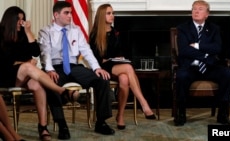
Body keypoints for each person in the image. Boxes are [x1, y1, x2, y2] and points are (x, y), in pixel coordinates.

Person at [0, 6, 79, 141]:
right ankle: (62, 91)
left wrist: (29, 32)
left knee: (37, 84)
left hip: (21, 74)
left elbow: (35, 52)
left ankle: (43, 127)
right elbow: (4, 61)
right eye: (18, 19)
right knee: (27, 67)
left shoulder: (23, 34)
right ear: (10, 20)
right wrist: (23, 63)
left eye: (23, 19)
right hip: (4, 75)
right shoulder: (0, 34)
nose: (21, 22)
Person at [38, 1, 115, 138]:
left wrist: (97, 68)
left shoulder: (76, 30)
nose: (70, 16)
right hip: (56, 67)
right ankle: (62, 125)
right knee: (50, 83)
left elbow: (86, 50)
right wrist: (49, 70)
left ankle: (101, 122)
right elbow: (46, 53)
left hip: (74, 67)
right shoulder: (46, 31)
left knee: (102, 80)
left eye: (71, 13)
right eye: (66, 13)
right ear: (56, 15)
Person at [89, 3, 156, 130]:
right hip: (102, 68)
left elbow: (121, 52)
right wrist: (108, 58)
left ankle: (120, 115)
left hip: (115, 64)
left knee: (125, 79)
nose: (112, 16)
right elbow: (96, 58)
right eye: (109, 13)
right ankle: (144, 103)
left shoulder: (116, 33)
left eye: (113, 13)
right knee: (128, 68)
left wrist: (117, 57)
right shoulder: (94, 35)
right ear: (102, 16)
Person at [174, 0, 230, 126]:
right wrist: (206, 54)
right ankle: (181, 114)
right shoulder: (183, 28)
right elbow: (184, 50)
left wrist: (196, 45)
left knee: (227, 73)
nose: (196, 11)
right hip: (191, 67)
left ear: (207, 14)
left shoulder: (214, 29)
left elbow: (217, 48)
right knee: (181, 76)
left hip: (210, 67)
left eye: (200, 9)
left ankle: (222, 114)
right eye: (194, 9)